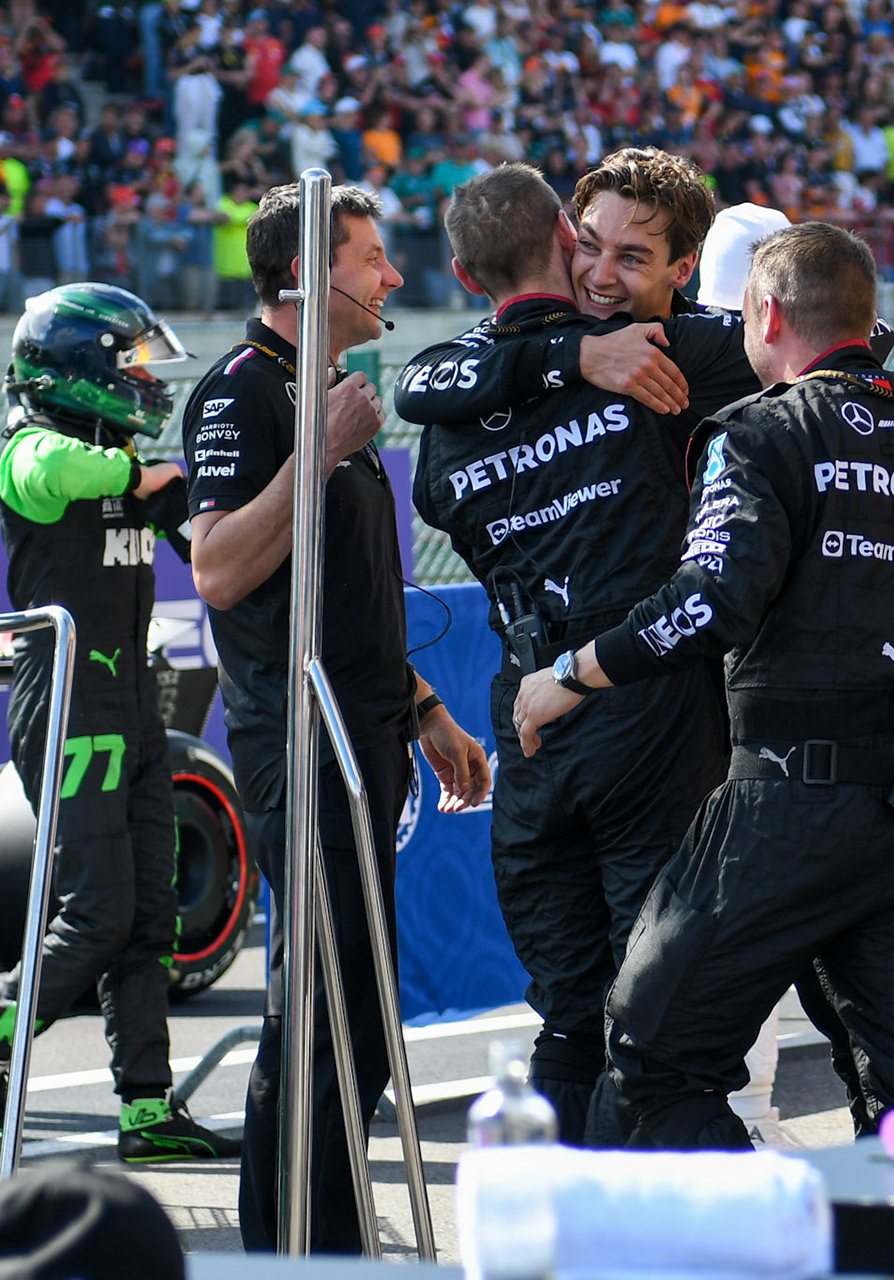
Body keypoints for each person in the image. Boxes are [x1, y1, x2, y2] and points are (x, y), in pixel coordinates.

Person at [513, 222, 894, 1149]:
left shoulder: (759, 431)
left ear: (768, 314)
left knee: (650, 1054)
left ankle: (766, 1217)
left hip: (789, 803)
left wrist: (573, 673)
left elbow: (712, 599)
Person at [400, 163, 751, 1144]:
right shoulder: (644, 352)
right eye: (592, 246)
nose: (602, 271)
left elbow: (426, 428)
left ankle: (569, 1205)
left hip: (544, 706)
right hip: (619, 698)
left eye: (630, 255)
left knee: (587, 1008)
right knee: (640, 997)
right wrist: (581, 356)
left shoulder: (460, 392)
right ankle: (668, 1198)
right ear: (563, 234)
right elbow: (824, 337)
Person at [182, 182, 491, 1253]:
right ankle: (291, 1250)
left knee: (356, 1011)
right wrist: (314, 450)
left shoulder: (325, 391)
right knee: (317, 1009)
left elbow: (349, 598)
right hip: (298, 742)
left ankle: (331, 1236)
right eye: (371, 259)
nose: (392, 278)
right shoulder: (243, 391)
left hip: (366, 733)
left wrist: (425, 707)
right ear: (309, 277)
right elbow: (217, 570)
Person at [0, 283, 238, 1163]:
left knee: (149, 916)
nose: (145, 380)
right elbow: (50, 474)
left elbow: (213, 550)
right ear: (81, 366)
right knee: (96, 912)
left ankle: (145, 1110)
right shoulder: (28, 446)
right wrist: (142, 479)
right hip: (67, 700)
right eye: (130, 362)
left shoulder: (125, 458)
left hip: (134, 705)